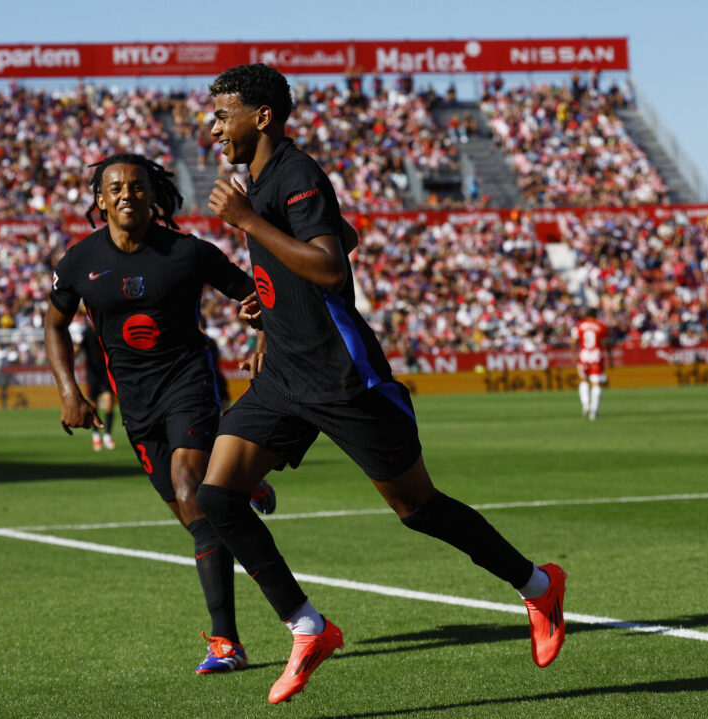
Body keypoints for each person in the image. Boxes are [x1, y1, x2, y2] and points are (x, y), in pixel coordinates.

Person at [197, 64, 567, 705]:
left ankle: (537, 586)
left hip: (344, 377)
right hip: (285, 373)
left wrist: (247, 225)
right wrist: (267, 311)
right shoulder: (257, 181)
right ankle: (307, 627)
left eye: (222, 112)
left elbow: (332, 268)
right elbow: (342, 236)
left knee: (417, 509)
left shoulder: (296, 173)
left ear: (261, 117)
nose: (212, 125)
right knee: (217, 496)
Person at [45, 152, 276, 674]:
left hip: (188, 385)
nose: (128, 194)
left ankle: (226, 643)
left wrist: (261, 336)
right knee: (197, 520)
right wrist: (68, 391)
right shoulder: (78, 263)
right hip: (137, 407)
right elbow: (54, 326)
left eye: (137, 186)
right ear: (100, 200)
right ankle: (239, 482)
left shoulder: (187, 252)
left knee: (194, 496)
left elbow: (254, 291)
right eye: (116, 188)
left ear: (153, 195)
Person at [81, 318, 116, 450]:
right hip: (92, 376)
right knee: (93, 407)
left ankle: (107, 435)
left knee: (109, 404)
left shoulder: (106, 331)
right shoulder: (87, 333)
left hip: (105, 375)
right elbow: (79, 348)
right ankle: (96, 435)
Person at [572, 306, 611, 420]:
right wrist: (610, 357)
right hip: (596, 355)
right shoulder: (600, 326)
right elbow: (605, 342)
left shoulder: (579, 325)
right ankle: (594, 412)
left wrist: (574, 356)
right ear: (595, 315)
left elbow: (573, 341)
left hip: (584, 355)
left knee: (584, 380)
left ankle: (585, 404)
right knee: (596, 383)